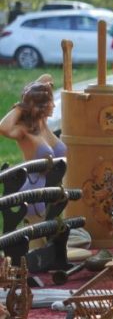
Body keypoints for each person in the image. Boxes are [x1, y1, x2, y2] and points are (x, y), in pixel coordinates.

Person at [0, 74, 67, 219]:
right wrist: (22, 106)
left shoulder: (43, 124)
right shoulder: (24, 130)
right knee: (37, 232)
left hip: (53, 195)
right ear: (40, 107)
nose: (54, 105)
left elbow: (46, 77)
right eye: (50, 102)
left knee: (55, 231)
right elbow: (3, 127)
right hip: (35, 194)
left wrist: (35, 91)